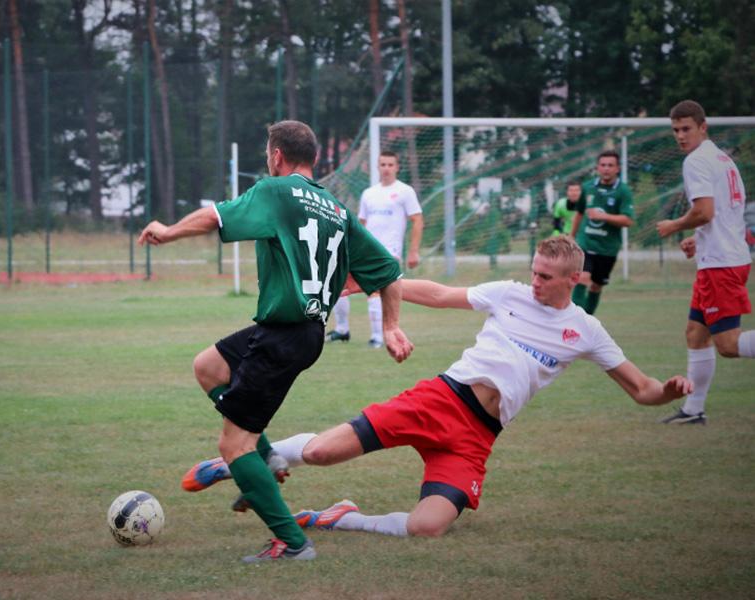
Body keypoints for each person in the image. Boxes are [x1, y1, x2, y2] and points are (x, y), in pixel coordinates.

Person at [183, 236, 692, 539]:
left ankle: (341, 517)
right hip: (442, 399)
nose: (535, 283)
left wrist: (668, 392)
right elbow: (441, 293)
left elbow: (641, 389)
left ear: (573, 279)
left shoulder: (586, 330)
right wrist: (380, 284)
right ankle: (243, 459)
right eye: (534, 272)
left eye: (545, 277)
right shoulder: (510, 294)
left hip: (478, 435)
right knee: (320, 453)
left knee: (427, 528)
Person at [137, 120, 413, 562]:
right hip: (300, 332)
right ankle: (265, 458)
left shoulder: (276, 190)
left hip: (284, 335)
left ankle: (293, 542)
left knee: (233, 445)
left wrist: (168, 231)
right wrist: (392, 326)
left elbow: (215, 217)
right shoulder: (336, 209)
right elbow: (389, 270)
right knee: (209, 366)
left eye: (268, 153)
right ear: (314, 158)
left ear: (277, 156)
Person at [655, 99, 754, 425]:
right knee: (696, 334)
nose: (680, 136)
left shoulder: (696, 161)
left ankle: (694, 409)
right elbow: (726, 215)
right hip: (723, 257)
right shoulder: (723, 159)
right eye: (676, 130)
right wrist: (698, 240)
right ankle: (693, 410)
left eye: (686, 129)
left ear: (703, 127)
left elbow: (705, 212)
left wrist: (674, 225)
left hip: (720, 265)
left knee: (728, 344)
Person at [326, 150, 424, 348]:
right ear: (378, 167)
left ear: (397, 167)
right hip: (366, 250)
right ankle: (342, 330)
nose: (386, 168)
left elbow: (417, 220)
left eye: (390, 165)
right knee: (339, 283)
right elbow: (360, 225)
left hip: (389, 251)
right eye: (383, 164)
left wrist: (414, 251)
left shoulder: (405, 191)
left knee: (377, 291)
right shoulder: (369, 194)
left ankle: (378, 337)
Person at [570, 150, 635, 315]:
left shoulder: (623, 191)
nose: (606, 168)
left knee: (596, 286)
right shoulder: (588, 187)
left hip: (607, 249)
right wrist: (572, 236)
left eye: (610, 165)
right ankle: (575, 319)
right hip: (586, 243)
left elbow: (628, 220)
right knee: (582, 277)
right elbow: (579, 213)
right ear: (597, 168)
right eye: (603, 165)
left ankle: (587, 319)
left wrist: (603, 216)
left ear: (617, 168)